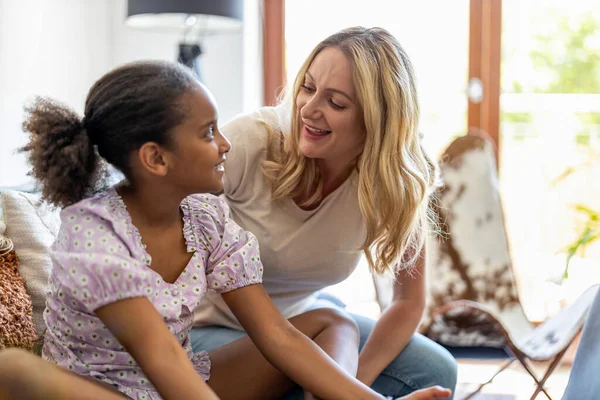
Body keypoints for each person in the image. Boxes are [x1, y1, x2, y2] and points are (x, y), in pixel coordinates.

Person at [0, 60, 451, 400]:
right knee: (15, 371)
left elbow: (276, 333)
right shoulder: (94, 235)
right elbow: (160, 357)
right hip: (105, 390)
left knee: (330, 318)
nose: (226, 143)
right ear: (157, 159)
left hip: (176, 377)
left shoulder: (205, 219)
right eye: (208, 132)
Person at [190, 26, 458, 399]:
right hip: (205, 328)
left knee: (433, 368)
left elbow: (409, 301)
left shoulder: (395, 182)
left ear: (377, 121)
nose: (308, 109)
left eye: (336, 103)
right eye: (308, 87)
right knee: (333, 328)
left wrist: (352, 381)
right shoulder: (249, 142)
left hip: (299, 321)